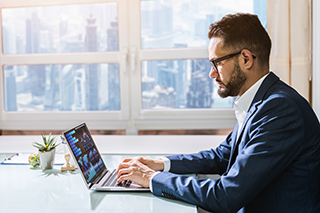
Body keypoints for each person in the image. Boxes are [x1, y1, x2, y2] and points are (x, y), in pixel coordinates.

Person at [116, 13, 320, 212]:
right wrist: (161, 164)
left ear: (246, 59)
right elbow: (222, 156)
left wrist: (151, 178)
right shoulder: (261, 100)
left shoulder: (280, 111)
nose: (211, 73)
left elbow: (225, 195)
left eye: (217, 63)